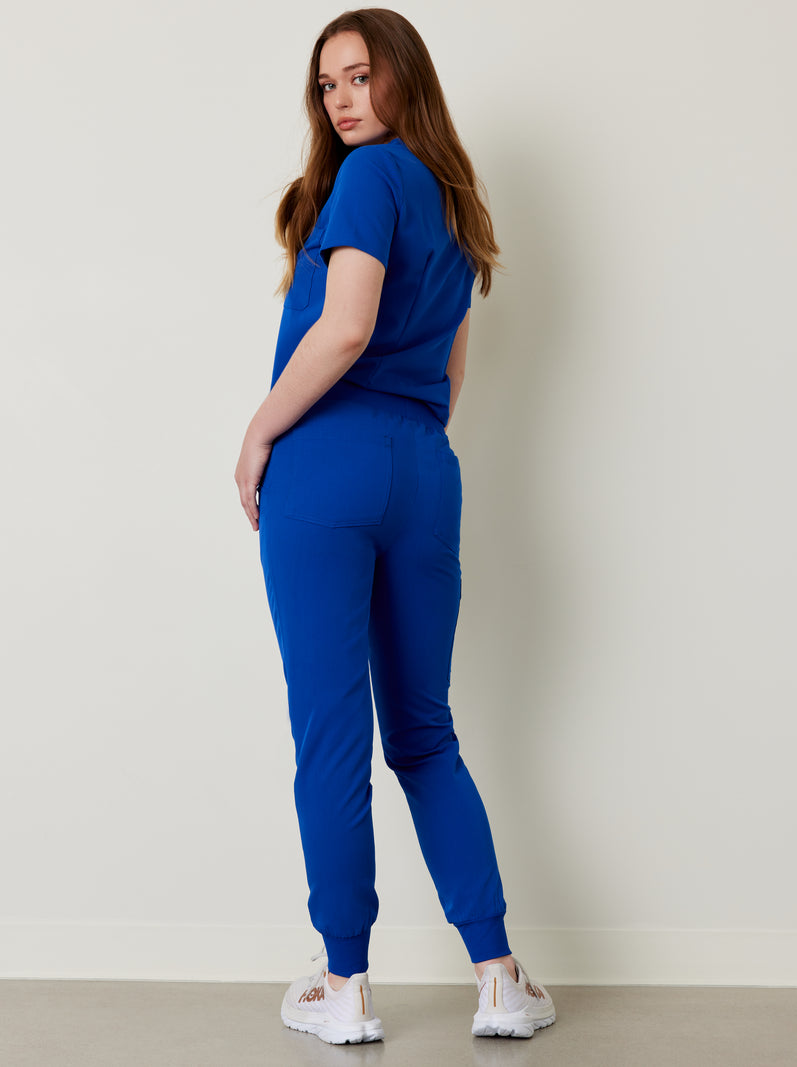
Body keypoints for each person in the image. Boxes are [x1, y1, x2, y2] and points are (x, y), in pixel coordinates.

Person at [234, 7, 556, 1046]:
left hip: (326, 463)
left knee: (333, 730)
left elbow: (345, 328)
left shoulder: (368, 178)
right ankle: (499, 978)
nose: (340, 98)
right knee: (423, 729)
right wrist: (400, 444)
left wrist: (259, 431)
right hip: (423, 471)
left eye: (359, 75)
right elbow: (450, 373)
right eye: (326, 83)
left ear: (402, 78)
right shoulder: (455, 202)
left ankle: (344, 985)